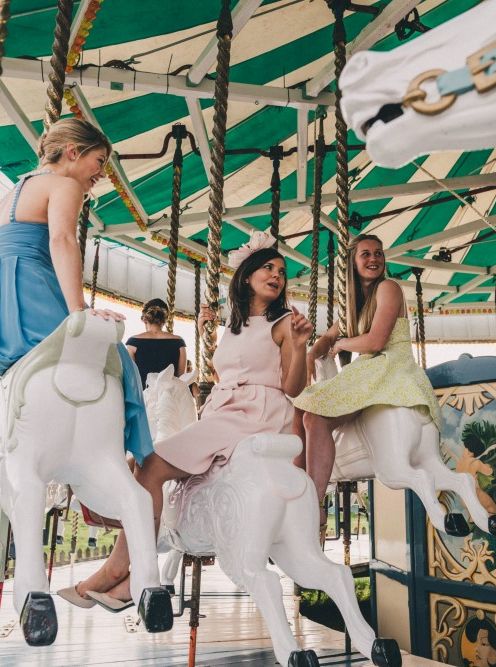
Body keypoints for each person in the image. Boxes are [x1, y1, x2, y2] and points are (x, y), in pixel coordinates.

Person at [73, 231, 313, 609]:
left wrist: (299, 347)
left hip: (254, 415)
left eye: (281, 271)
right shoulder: (234, 327)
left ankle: (122, 572)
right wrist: (208, 335)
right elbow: (228, 376)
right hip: (225, 413)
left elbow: (293, 387)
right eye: (267, 267)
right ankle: (126, 573)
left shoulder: (283, 322)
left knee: (149, 466)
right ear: (247, 276)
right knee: (142, 462)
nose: (276, 275)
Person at [0, 118, 156, 609]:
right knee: (115, 361)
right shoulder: (61, 183)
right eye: (98, 162)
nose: (98, 176)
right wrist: (78, 314)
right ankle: (137, 456)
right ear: (71, 152)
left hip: (7, 301)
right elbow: (62, 242)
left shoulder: (16, 190)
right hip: (35, 294)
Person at [293, 234, 441, 528]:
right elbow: (328, 337)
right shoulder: (354, 305)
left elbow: (376, 340)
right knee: (303, 412)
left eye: (378, 253)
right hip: (370, 370)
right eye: (366, 254)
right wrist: (312, 354)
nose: (374, 259)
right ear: (353, 261)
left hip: (387, 368)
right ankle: (302, 493)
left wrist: (343, 345)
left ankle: (313, 500)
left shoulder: (388, 288)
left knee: (310, 413)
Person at [126, 298, 186, 388]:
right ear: (165, 319)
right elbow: (181, 379)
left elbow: (131, 379)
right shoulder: (179, 343)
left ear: (144, 319)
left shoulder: (133, 343)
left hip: (143, 398)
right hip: (170, 398)